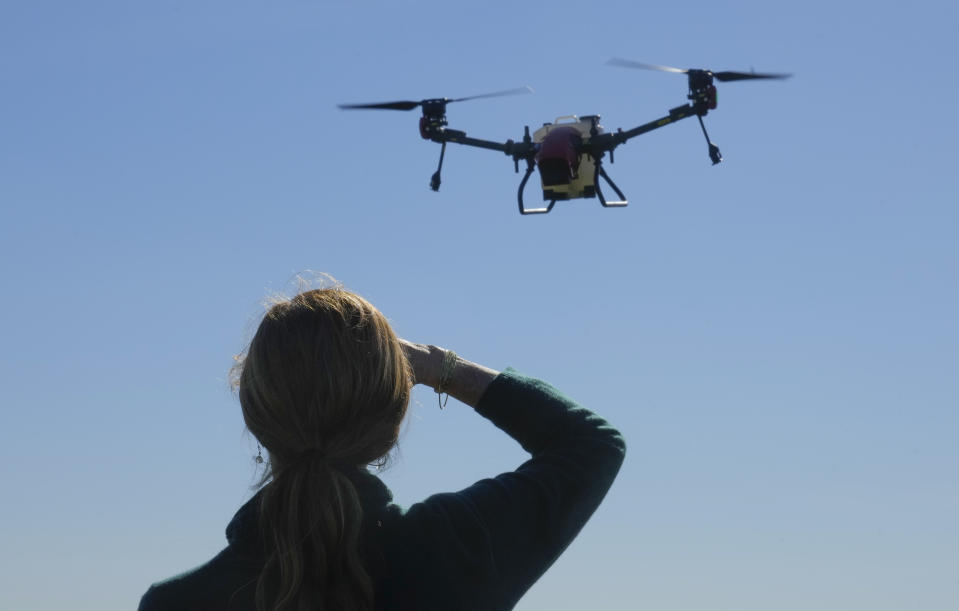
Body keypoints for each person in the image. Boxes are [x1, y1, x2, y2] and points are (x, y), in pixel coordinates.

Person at [138, 286, 625, 611]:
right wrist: (440, 367)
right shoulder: (454, 550)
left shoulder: (177, 603)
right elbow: (589, 444)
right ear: (391, 415)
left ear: (255, 414)